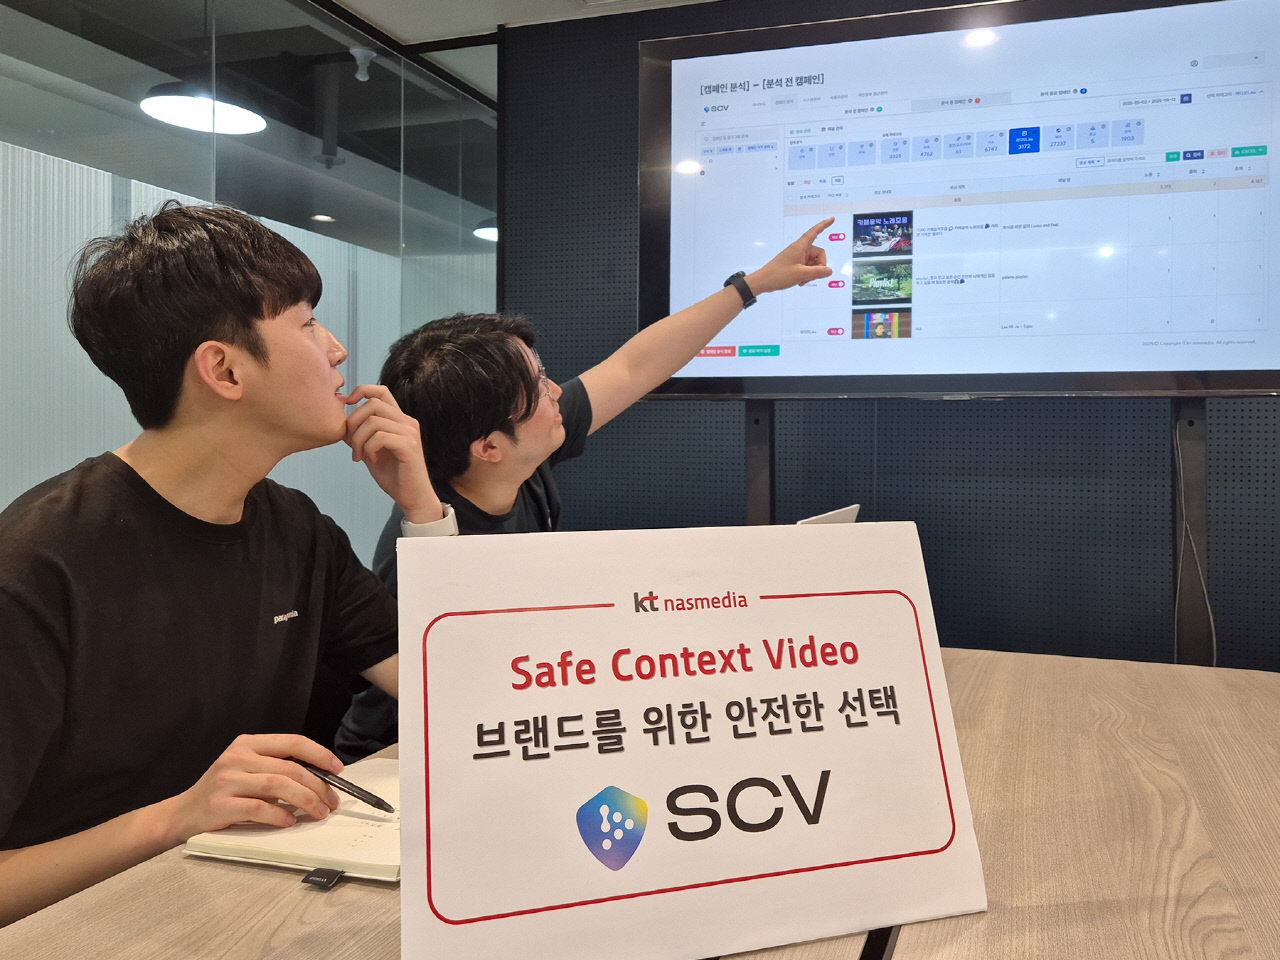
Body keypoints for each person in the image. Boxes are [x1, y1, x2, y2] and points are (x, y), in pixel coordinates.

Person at [0, 203, 456, 926]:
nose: (337, 349)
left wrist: (424, 509)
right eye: (308, 323)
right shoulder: (35, 566)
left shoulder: (297, 530)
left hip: (244, 910)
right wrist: (176, 817)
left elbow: (455, 690)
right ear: (224, 369)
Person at [334, 217, 835, 760]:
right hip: (402, 753)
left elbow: (633, 367)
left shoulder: (517, 458)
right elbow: (455, 681)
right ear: (489, 446)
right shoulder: (424, 537)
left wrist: (753, 285)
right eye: (538, 387)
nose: (556, 391)